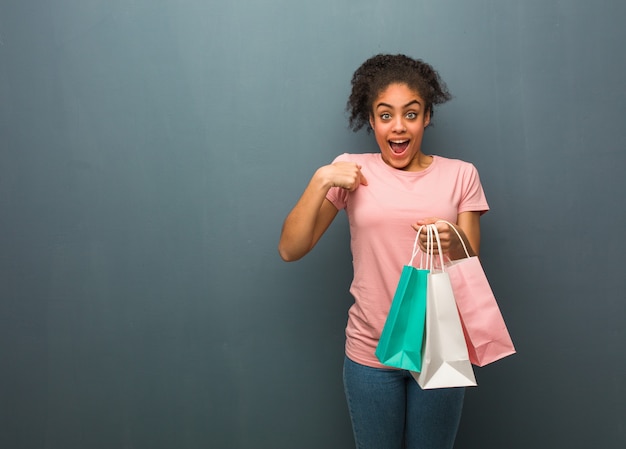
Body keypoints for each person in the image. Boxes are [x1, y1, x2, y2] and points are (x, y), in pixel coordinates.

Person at [278, 54, 489, 449]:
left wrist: (453, 241)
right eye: (385, 114)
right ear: (371, 120)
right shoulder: (350, 172)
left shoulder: (461, 174)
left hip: (439, 349)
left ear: (427, 116)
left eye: (410, 114)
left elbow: (471, 260)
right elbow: (291, 249)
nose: (398, 126)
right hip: (370, 355)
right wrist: (321, 179)